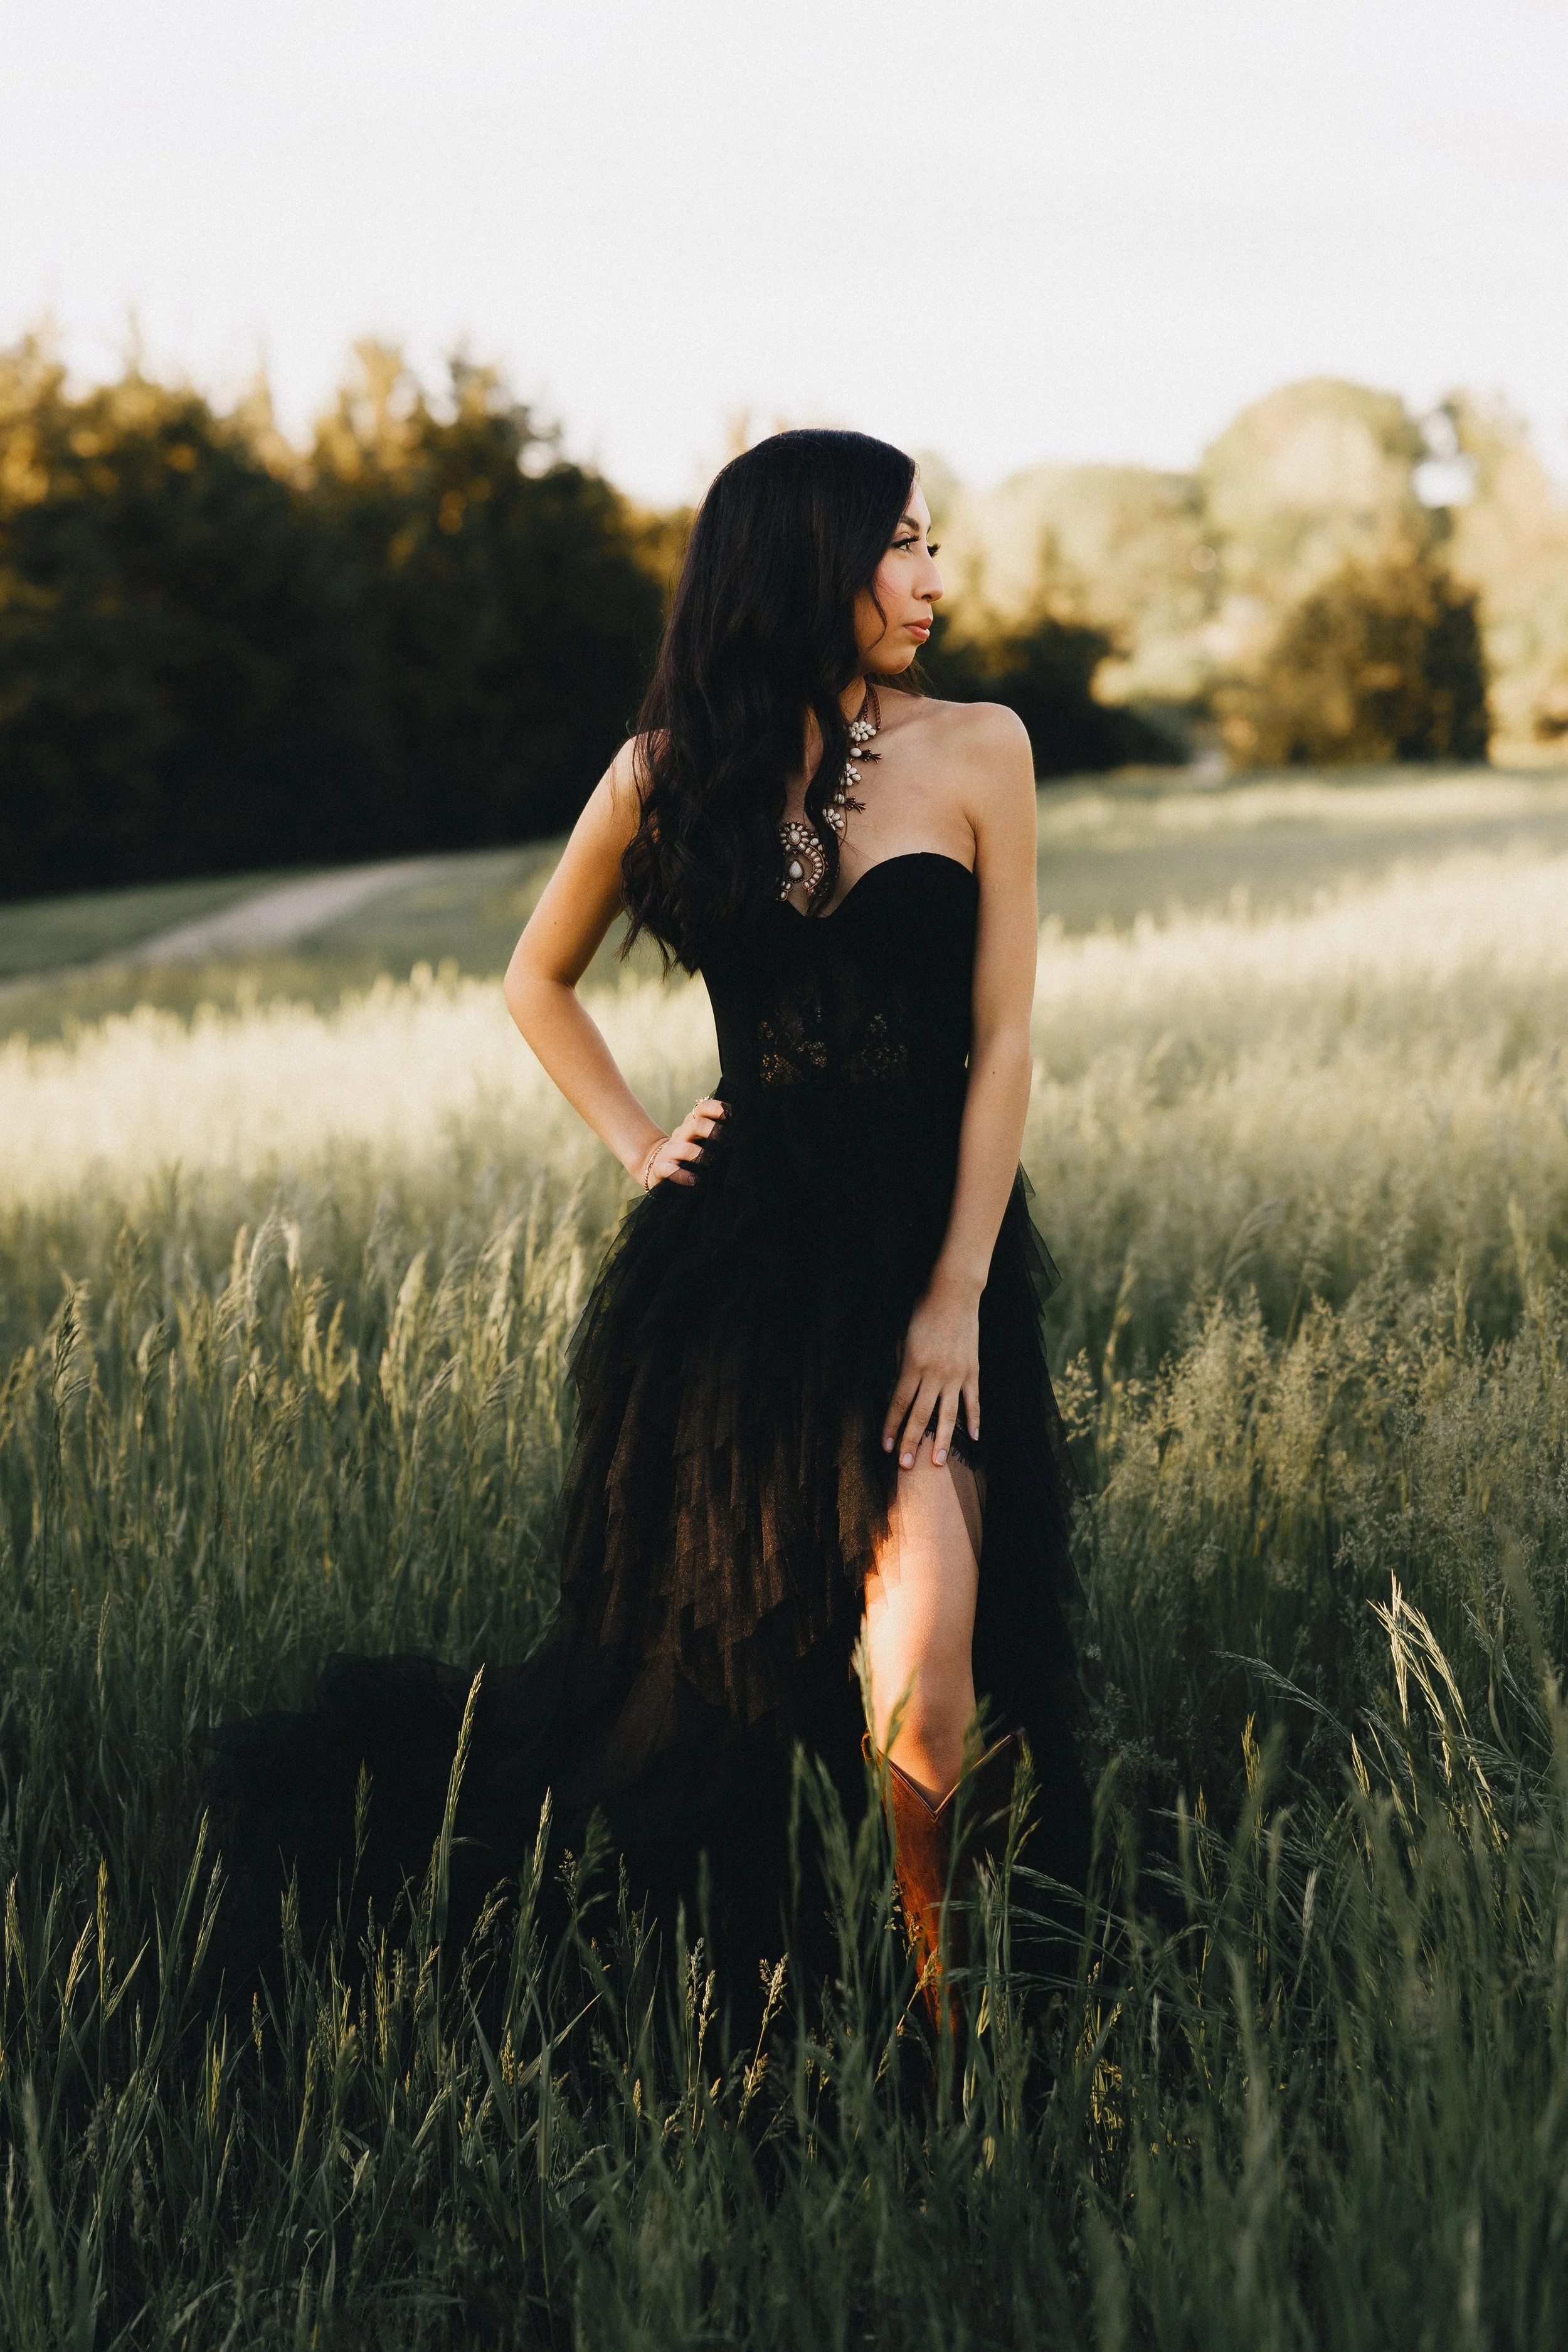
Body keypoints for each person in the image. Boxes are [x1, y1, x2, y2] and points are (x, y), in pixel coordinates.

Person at [204, 430, 1086, 2024]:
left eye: (931, 543)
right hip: (735, 1275)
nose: (933, 579)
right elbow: (532, 976)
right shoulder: (666, 773)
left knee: (926, 1673)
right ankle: (761, 1977)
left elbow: (1005, 1039)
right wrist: (635, 1139)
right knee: (722, 1682)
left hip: (919, 1255)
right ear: (804, 561)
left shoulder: (982, 749)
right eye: (901, 544)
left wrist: (956, 1290)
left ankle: (949, 2015)